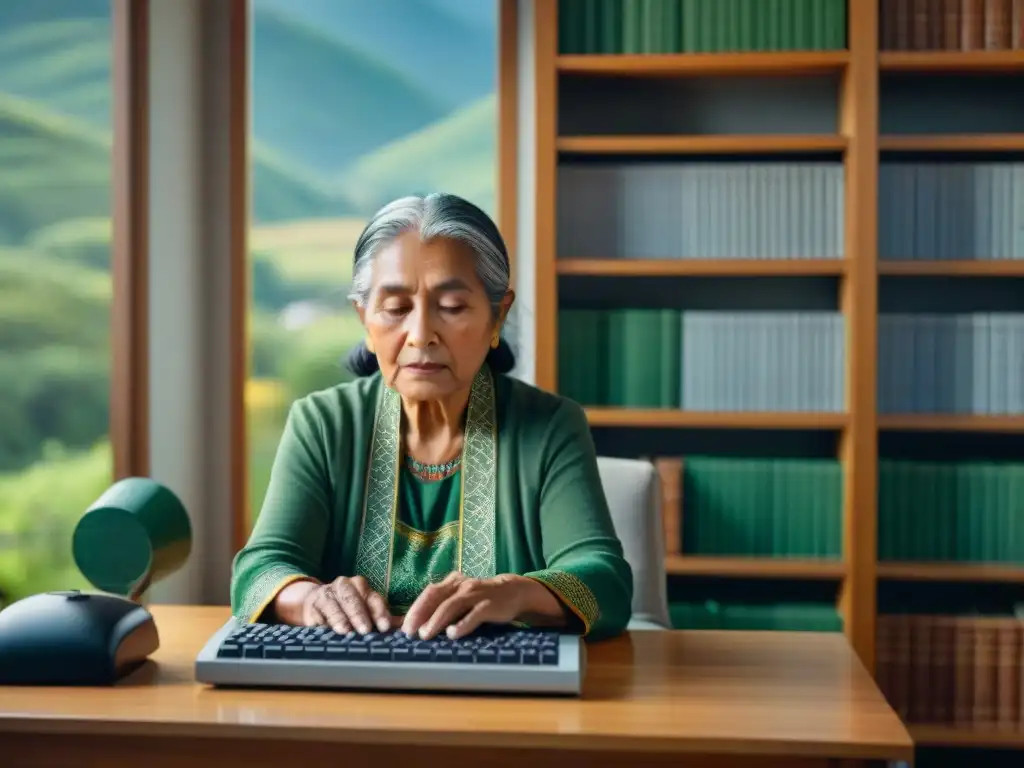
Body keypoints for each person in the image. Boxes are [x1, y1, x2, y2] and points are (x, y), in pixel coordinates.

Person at [231, 192, 633, 642]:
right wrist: (309, 599)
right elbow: (259, 569)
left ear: (497, 314)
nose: (421, 335)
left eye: (453, 307)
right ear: (365, 317)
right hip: (350, 693)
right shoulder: (323, 423)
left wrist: (515, 592)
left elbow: (607, 583)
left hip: (501, 697)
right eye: (397, 308)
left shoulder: (551, 426)